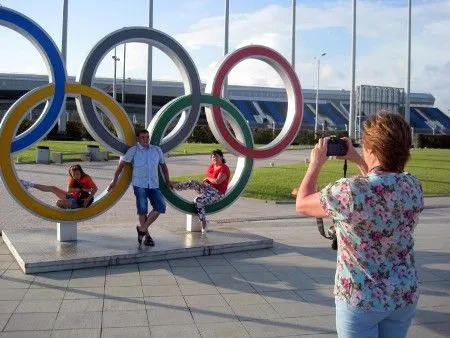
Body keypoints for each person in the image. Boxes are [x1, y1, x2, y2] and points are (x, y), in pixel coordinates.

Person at [295, 111, 424, 338]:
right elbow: (383, 185)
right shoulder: (412, 186)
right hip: (403, 295)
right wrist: (357, 158)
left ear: (372, 149)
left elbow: (303, 204)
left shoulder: (350, 191)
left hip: (361, 298)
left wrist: (315, 163)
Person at [108, 129, 172, 246]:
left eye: (147, 137)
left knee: (160, 206)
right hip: (140, 185)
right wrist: (114, 181)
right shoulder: (134, 150)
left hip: (154, 184)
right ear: (138, 139)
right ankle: (147, 236)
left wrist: (168, 180)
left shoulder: (156, 150)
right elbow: (121, 166)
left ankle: (142, 228)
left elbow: (164, 166)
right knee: (142, 210)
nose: (146, 139)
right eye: (143, 137)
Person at [174, 149, 230, 233]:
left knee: (198, 200)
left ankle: (203, 222)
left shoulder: (224, 168)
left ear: (221, 157)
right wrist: (203, 185)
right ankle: (176, 187)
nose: (214, 158)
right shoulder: (211, 166)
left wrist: (208, 179)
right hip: (207, 188)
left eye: (216, 156)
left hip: (217, 193)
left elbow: (218, 181)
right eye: (213, 156)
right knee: (193, 182)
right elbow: (208, 180)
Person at [20, 164, 97, 209]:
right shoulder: (72, 178)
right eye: (74, 175)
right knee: (53, 188)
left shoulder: (86, 177)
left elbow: (95, 189)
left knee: (58, 203)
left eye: (77, 174)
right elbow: (69, 190)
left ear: (81, 172)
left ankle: (68, 207)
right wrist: (82, 189)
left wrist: (88, 198)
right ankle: (30, 184)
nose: (76, 176)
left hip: (79, 201)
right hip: (72, 196)